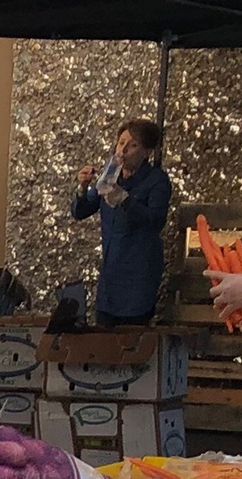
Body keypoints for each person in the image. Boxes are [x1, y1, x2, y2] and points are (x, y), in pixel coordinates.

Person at [73, 118, 173, 327]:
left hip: (139, 276)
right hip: (111, 276)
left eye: (133, 145)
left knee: (131, 340)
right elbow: (80, 211)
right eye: (121, 143)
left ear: (146, 152)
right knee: (103, 339)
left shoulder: (157, 180)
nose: (123, 149)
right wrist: (82, 188)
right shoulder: (112, 173)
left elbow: (156, 221)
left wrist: (125, 200)